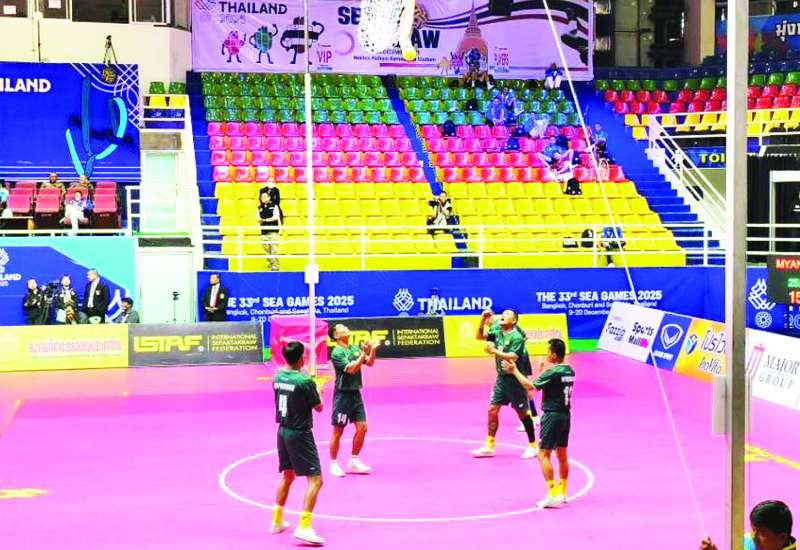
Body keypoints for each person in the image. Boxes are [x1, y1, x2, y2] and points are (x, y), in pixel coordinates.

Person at [503, 338, 574, 508]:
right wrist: (543, 371)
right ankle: (562, 493)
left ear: (554, 355)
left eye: (548, 351)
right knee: (562, 455)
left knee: (543, 454)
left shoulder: (553, 373)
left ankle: (552, 495)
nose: (547, 353)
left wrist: (514, 370)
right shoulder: (569, 370)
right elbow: (553, 384)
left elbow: (529, 386)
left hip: (552, 416)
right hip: (565, 416)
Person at [271, 341, 327, 546]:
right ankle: (304, 527)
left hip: (283, 431)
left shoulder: (278, 376)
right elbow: (319, 407)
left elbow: (293, 380)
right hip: (300, 434)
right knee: (316, 480)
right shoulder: (305, 383)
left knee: (287, 476)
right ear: (301, 358)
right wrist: (319, 389)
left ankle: (277, 520)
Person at [471, 309, 539, 460]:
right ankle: (489, 446)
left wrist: (493, 350)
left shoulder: (516, 337)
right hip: (501, 379)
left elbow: (513, 356)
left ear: (514, 321)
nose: (503, 315)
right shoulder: (496, 330)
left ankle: (533, 446)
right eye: (503, 313)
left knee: (522, 414)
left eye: (508, 314)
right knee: (492, 410)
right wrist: (482, 320)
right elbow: (479, 336)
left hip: (515, 379)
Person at [328, 323, 378, 477]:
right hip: (342, 396)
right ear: (336, 336)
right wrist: (363, 354)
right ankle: (333, 464)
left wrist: (372, 350)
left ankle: (353, 461)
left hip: (355, 394)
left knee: (362, 427)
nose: (346, 329)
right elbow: (351, 369)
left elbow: (369, 362)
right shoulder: (337, 352)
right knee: (338, 430)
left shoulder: (354, 348)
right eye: (341, 328)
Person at [701, 500, 795, 550]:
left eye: (761, 533)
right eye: (753, 530)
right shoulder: (749, 541)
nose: (753, 537)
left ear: (782, 537)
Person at [258, 191, 282, 272]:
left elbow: (275, 217)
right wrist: (263, 220)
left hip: (273, 231)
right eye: (261, 197)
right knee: (267, 251)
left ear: (269, 197)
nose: (263, 198)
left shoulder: (274, 206)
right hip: (263, 232)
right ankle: (270, 267)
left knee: (274, 251)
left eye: (264, 197)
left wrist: (265, 220)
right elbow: (258, 219)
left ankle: (275, 268)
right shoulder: (259, 208)